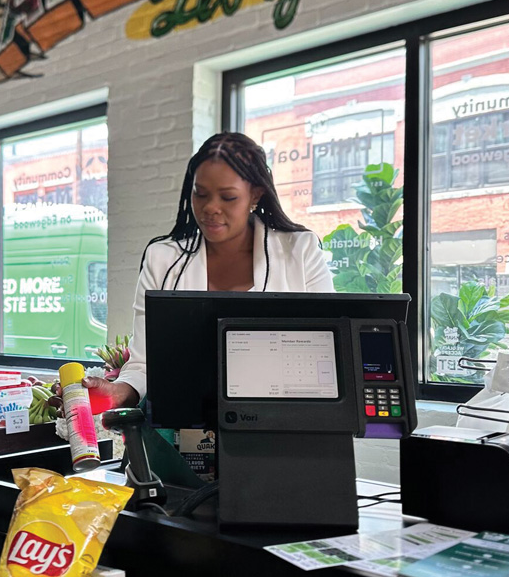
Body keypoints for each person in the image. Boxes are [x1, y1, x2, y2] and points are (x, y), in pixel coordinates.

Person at [89, 131, 334, 409]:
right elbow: (145, 364)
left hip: (284, 424)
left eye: (228, 197)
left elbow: (325, 354)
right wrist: (119, 391)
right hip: (185, 428)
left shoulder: (300, 252)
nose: (210, 208)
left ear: (256, 194)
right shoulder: (163, 259)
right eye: (200, 194)